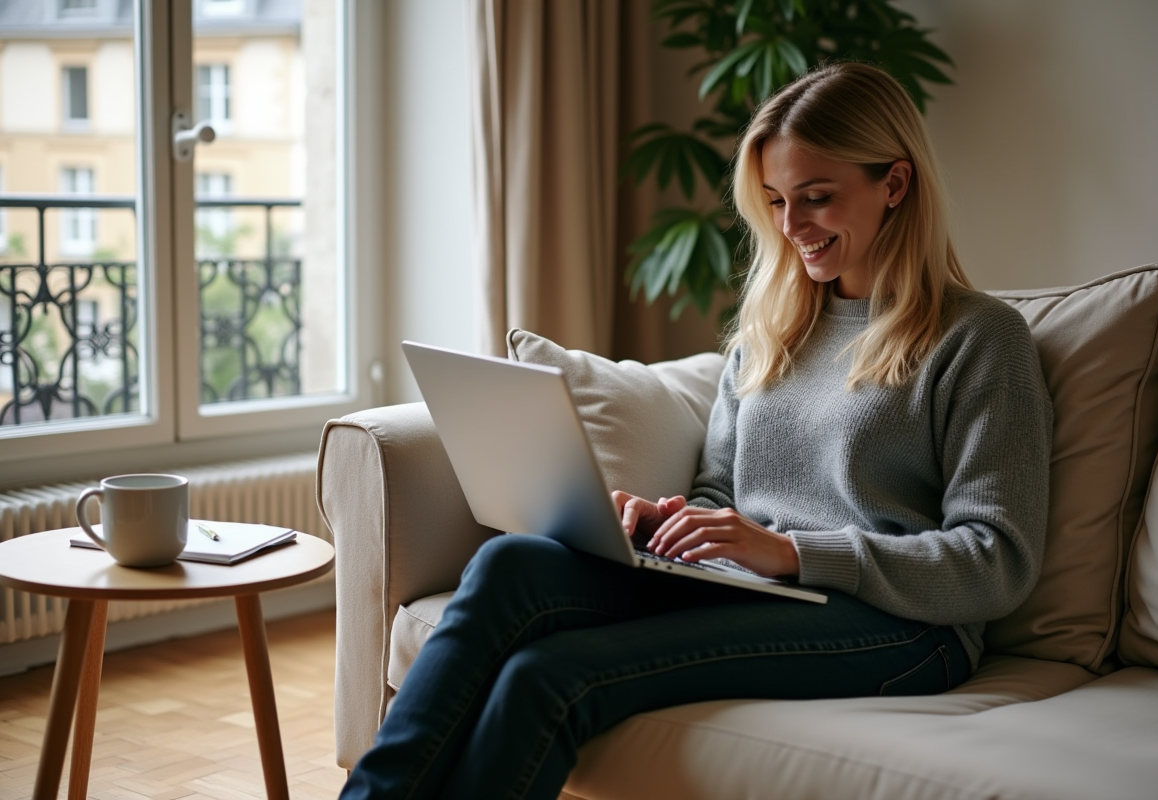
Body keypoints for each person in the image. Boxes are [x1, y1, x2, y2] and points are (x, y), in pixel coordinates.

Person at [339, 62, 1053, 800]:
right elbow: (720, 488)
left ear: (895, 185)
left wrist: (792, 553)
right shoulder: (771, 332)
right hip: (755, 588)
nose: (790, 227)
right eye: (775, 201)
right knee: (508, 565)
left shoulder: (979, 339)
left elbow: (995, 561)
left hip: (904, 627)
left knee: (550, 676)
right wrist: (670, 524)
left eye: (817, 198)